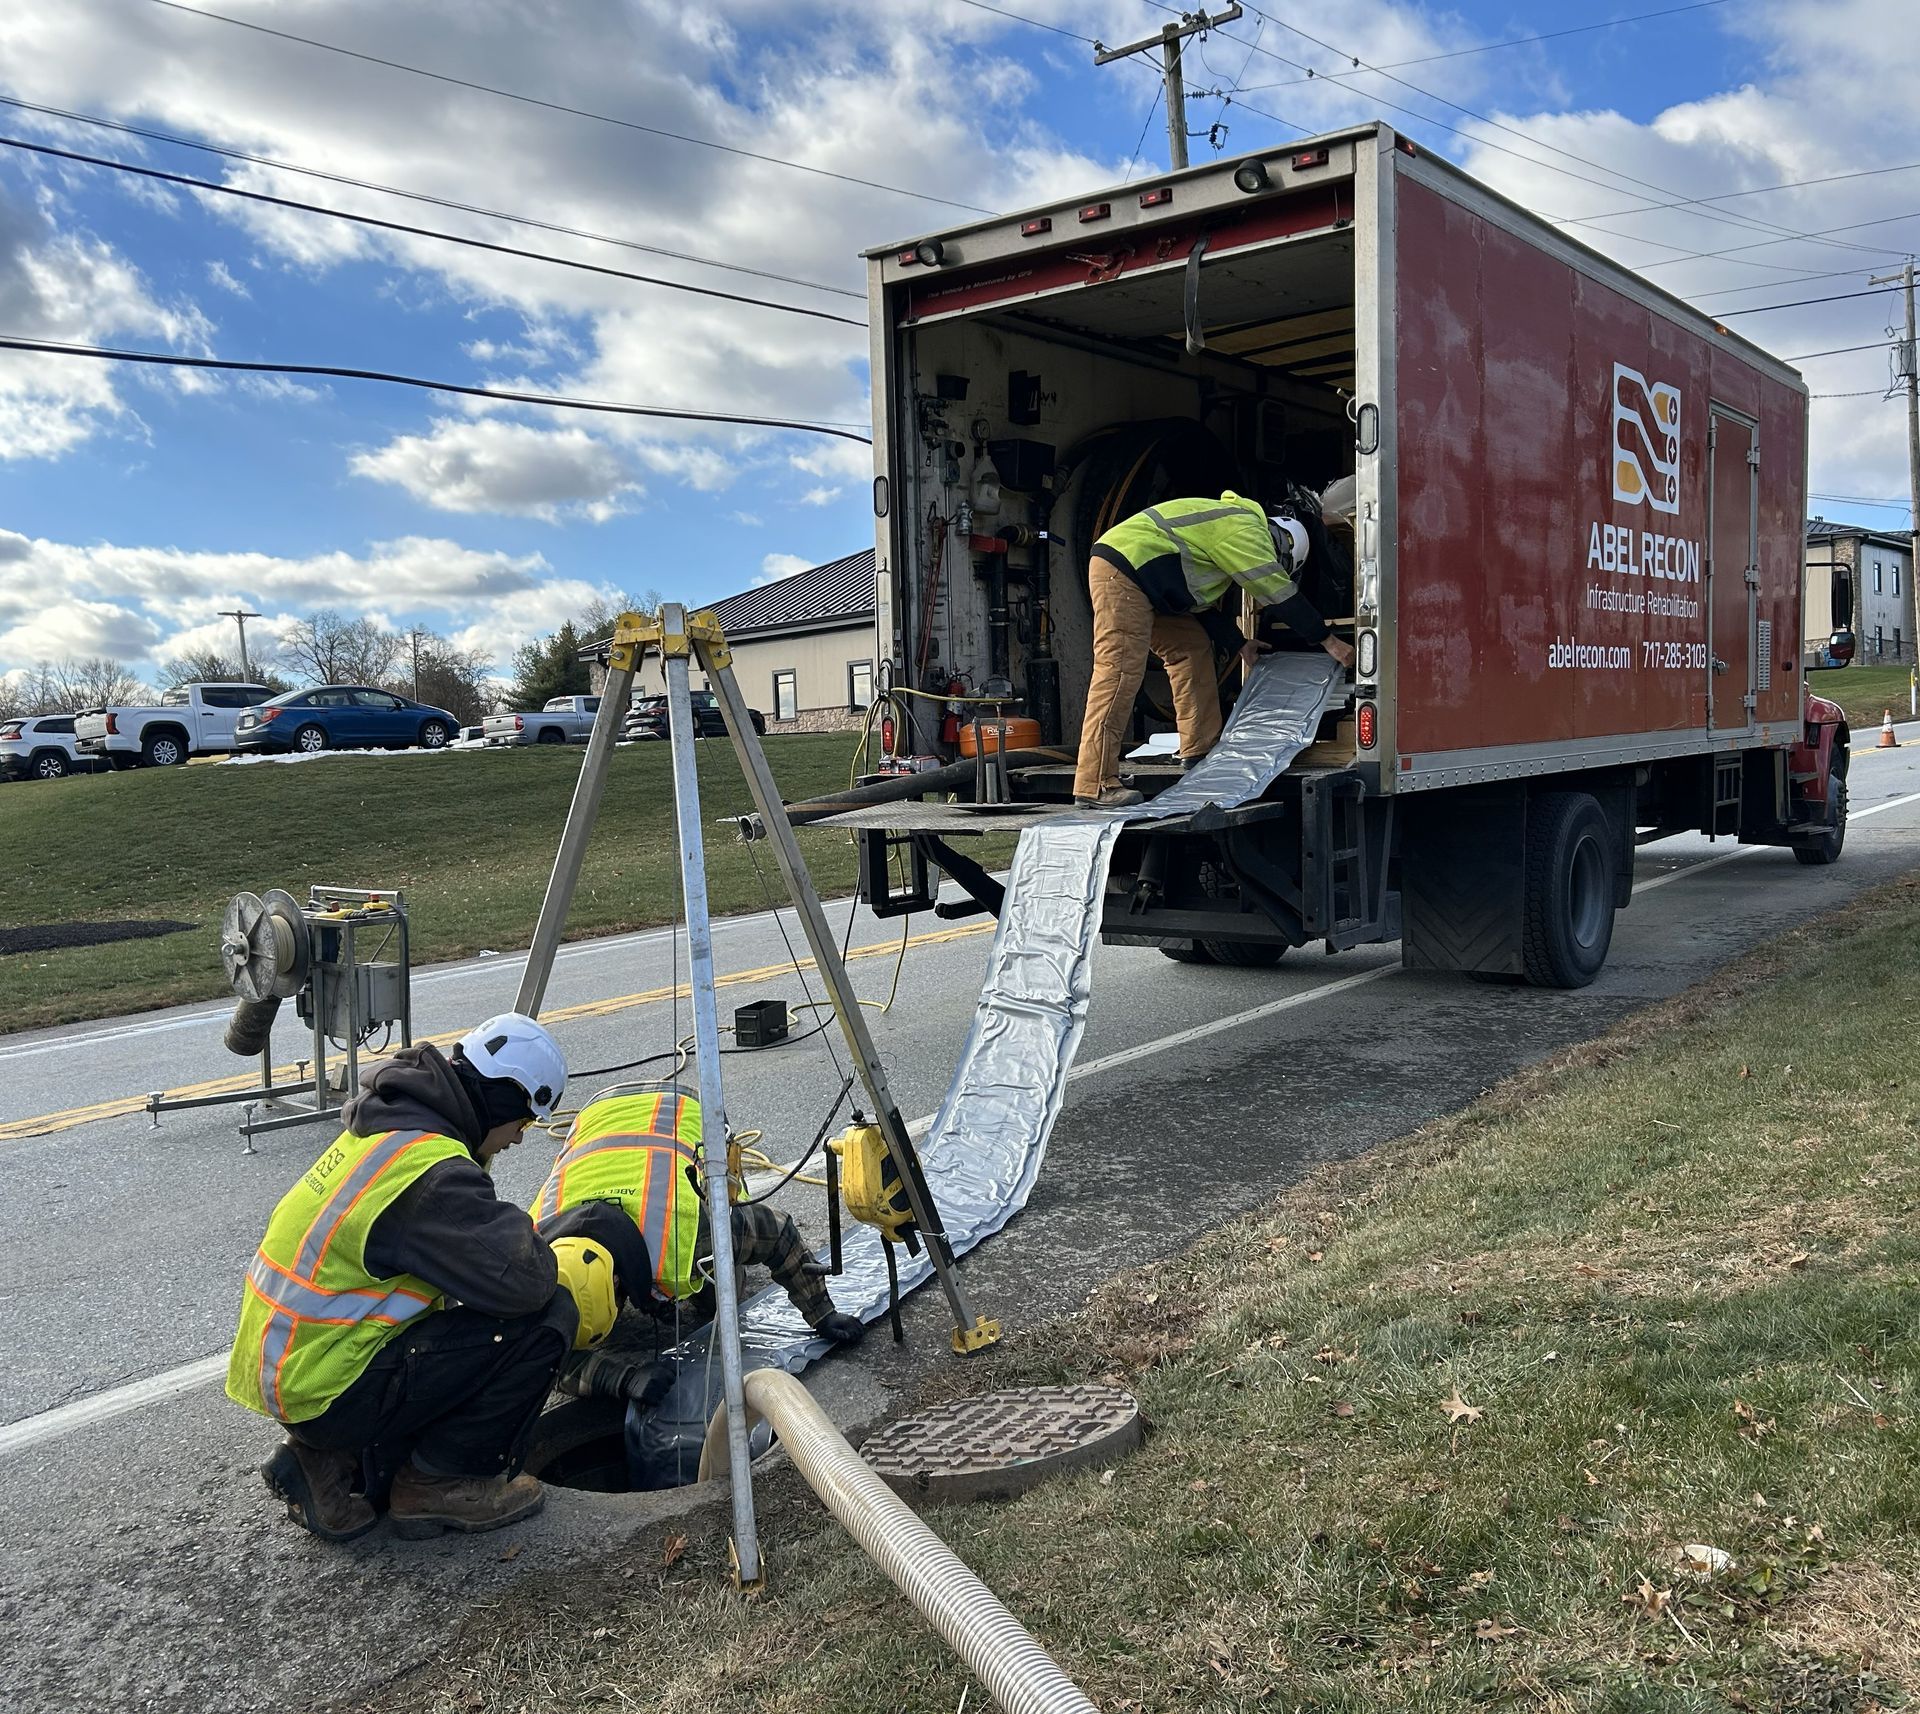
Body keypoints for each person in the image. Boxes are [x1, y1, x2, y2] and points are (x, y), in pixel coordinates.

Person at [227, 1011, 590, 1543]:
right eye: (525, 1121)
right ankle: (440, 1482)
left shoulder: (389, 1125)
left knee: (456, 1317)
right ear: (507, 1099)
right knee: (548, 1313)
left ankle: (322, 1463)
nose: (517, 1139)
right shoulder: (430, 1173)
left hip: (300, 1369)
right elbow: (526, 1281)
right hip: (329, 1384)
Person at [530, 1081, 865, 1406]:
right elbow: (531, 1355)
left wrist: (822, 1313)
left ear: (617, 1281)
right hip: (598, 1116)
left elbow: (776, 1231)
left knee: (719, 1296)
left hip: (682, 1110)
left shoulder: (691, 1233)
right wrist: (621, 1378)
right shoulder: (523, 1251)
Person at [1074, 489, 1356, 808]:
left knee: (1192, 648)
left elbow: (1203, 608)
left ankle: (1199, 753)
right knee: (1120, 673)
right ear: (1282, 547)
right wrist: (1327, 640)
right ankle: (1094, 783)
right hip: (1125, 573)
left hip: (1150, 583)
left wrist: (1240, 645)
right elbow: (1277, 591)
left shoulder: (1228, 537)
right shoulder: (1246, 530)